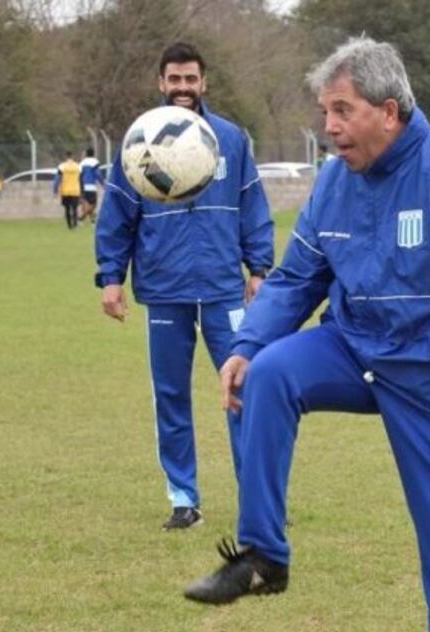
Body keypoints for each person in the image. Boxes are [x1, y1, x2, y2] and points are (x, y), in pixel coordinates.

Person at [183, 37, 430, 632]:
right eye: (325, 112)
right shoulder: (333, 184)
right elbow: (297, 277)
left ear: (389, 112)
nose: (329, 127)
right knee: (268, 372)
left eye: (342, 110)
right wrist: (246, 346)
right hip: (354, 348)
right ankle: (264, 557)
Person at [95, 42, 274, 531]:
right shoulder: (140, 141)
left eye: (190, 79)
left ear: (204, 82)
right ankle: (183, 499)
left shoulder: (231, 140)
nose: (182, 88)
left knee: (245, 390)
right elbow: (116, 215)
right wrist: (111, 278)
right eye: (173, 80)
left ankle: (258, 496)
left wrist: (258, 269)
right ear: (160, 83)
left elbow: (253, 208)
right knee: (171, 395)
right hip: (164, 288)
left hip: (222, 288)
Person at [53, 150, 81, 229]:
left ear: (66, 157)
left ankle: (69, 226)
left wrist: (55, 190)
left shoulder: (62, 166)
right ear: (72, 156)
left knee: (67, 209)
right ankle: (75, 225)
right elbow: (80, 179)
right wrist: (82, 191)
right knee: (75, 209)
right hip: (75, 190)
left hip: (65, 191)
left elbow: (57, 179)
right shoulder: (78, 166)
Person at [78, 147, 101, 224]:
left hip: (83, 186)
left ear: (86, 154)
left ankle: (92, 221)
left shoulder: (82, 163)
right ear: (93, 154)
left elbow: (79, 175)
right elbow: (98, 174)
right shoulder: (95, 162)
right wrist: (103, 183)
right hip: (91, 187)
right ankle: (82, 217)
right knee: (94, 204)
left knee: (87, 204)